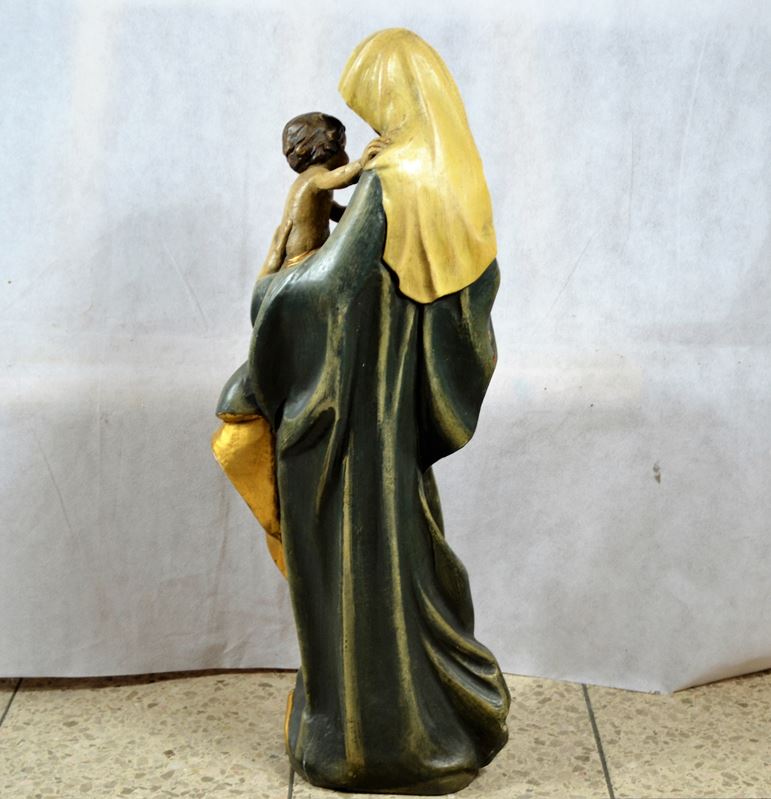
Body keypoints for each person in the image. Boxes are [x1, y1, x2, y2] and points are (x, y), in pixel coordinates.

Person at [212, 27, 510, 794]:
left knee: (351, 565)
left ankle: (361, 741)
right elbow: (454, 298)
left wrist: (273, 284)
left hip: (345, 422)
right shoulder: (449, 176)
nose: (365, 125)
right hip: (389, 413)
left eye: (370, 103)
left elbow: (321, 295)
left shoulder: (393, 179)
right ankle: (424, 722)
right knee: (399, 559)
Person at [259, 112, 385, 276]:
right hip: (304, 258)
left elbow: (337, 212)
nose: (346, 155)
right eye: (342, 147)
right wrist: (361, 163)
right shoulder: (314, 177)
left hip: (310, 254)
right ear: (327, 148)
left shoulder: (312, 186)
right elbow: (340, 177)